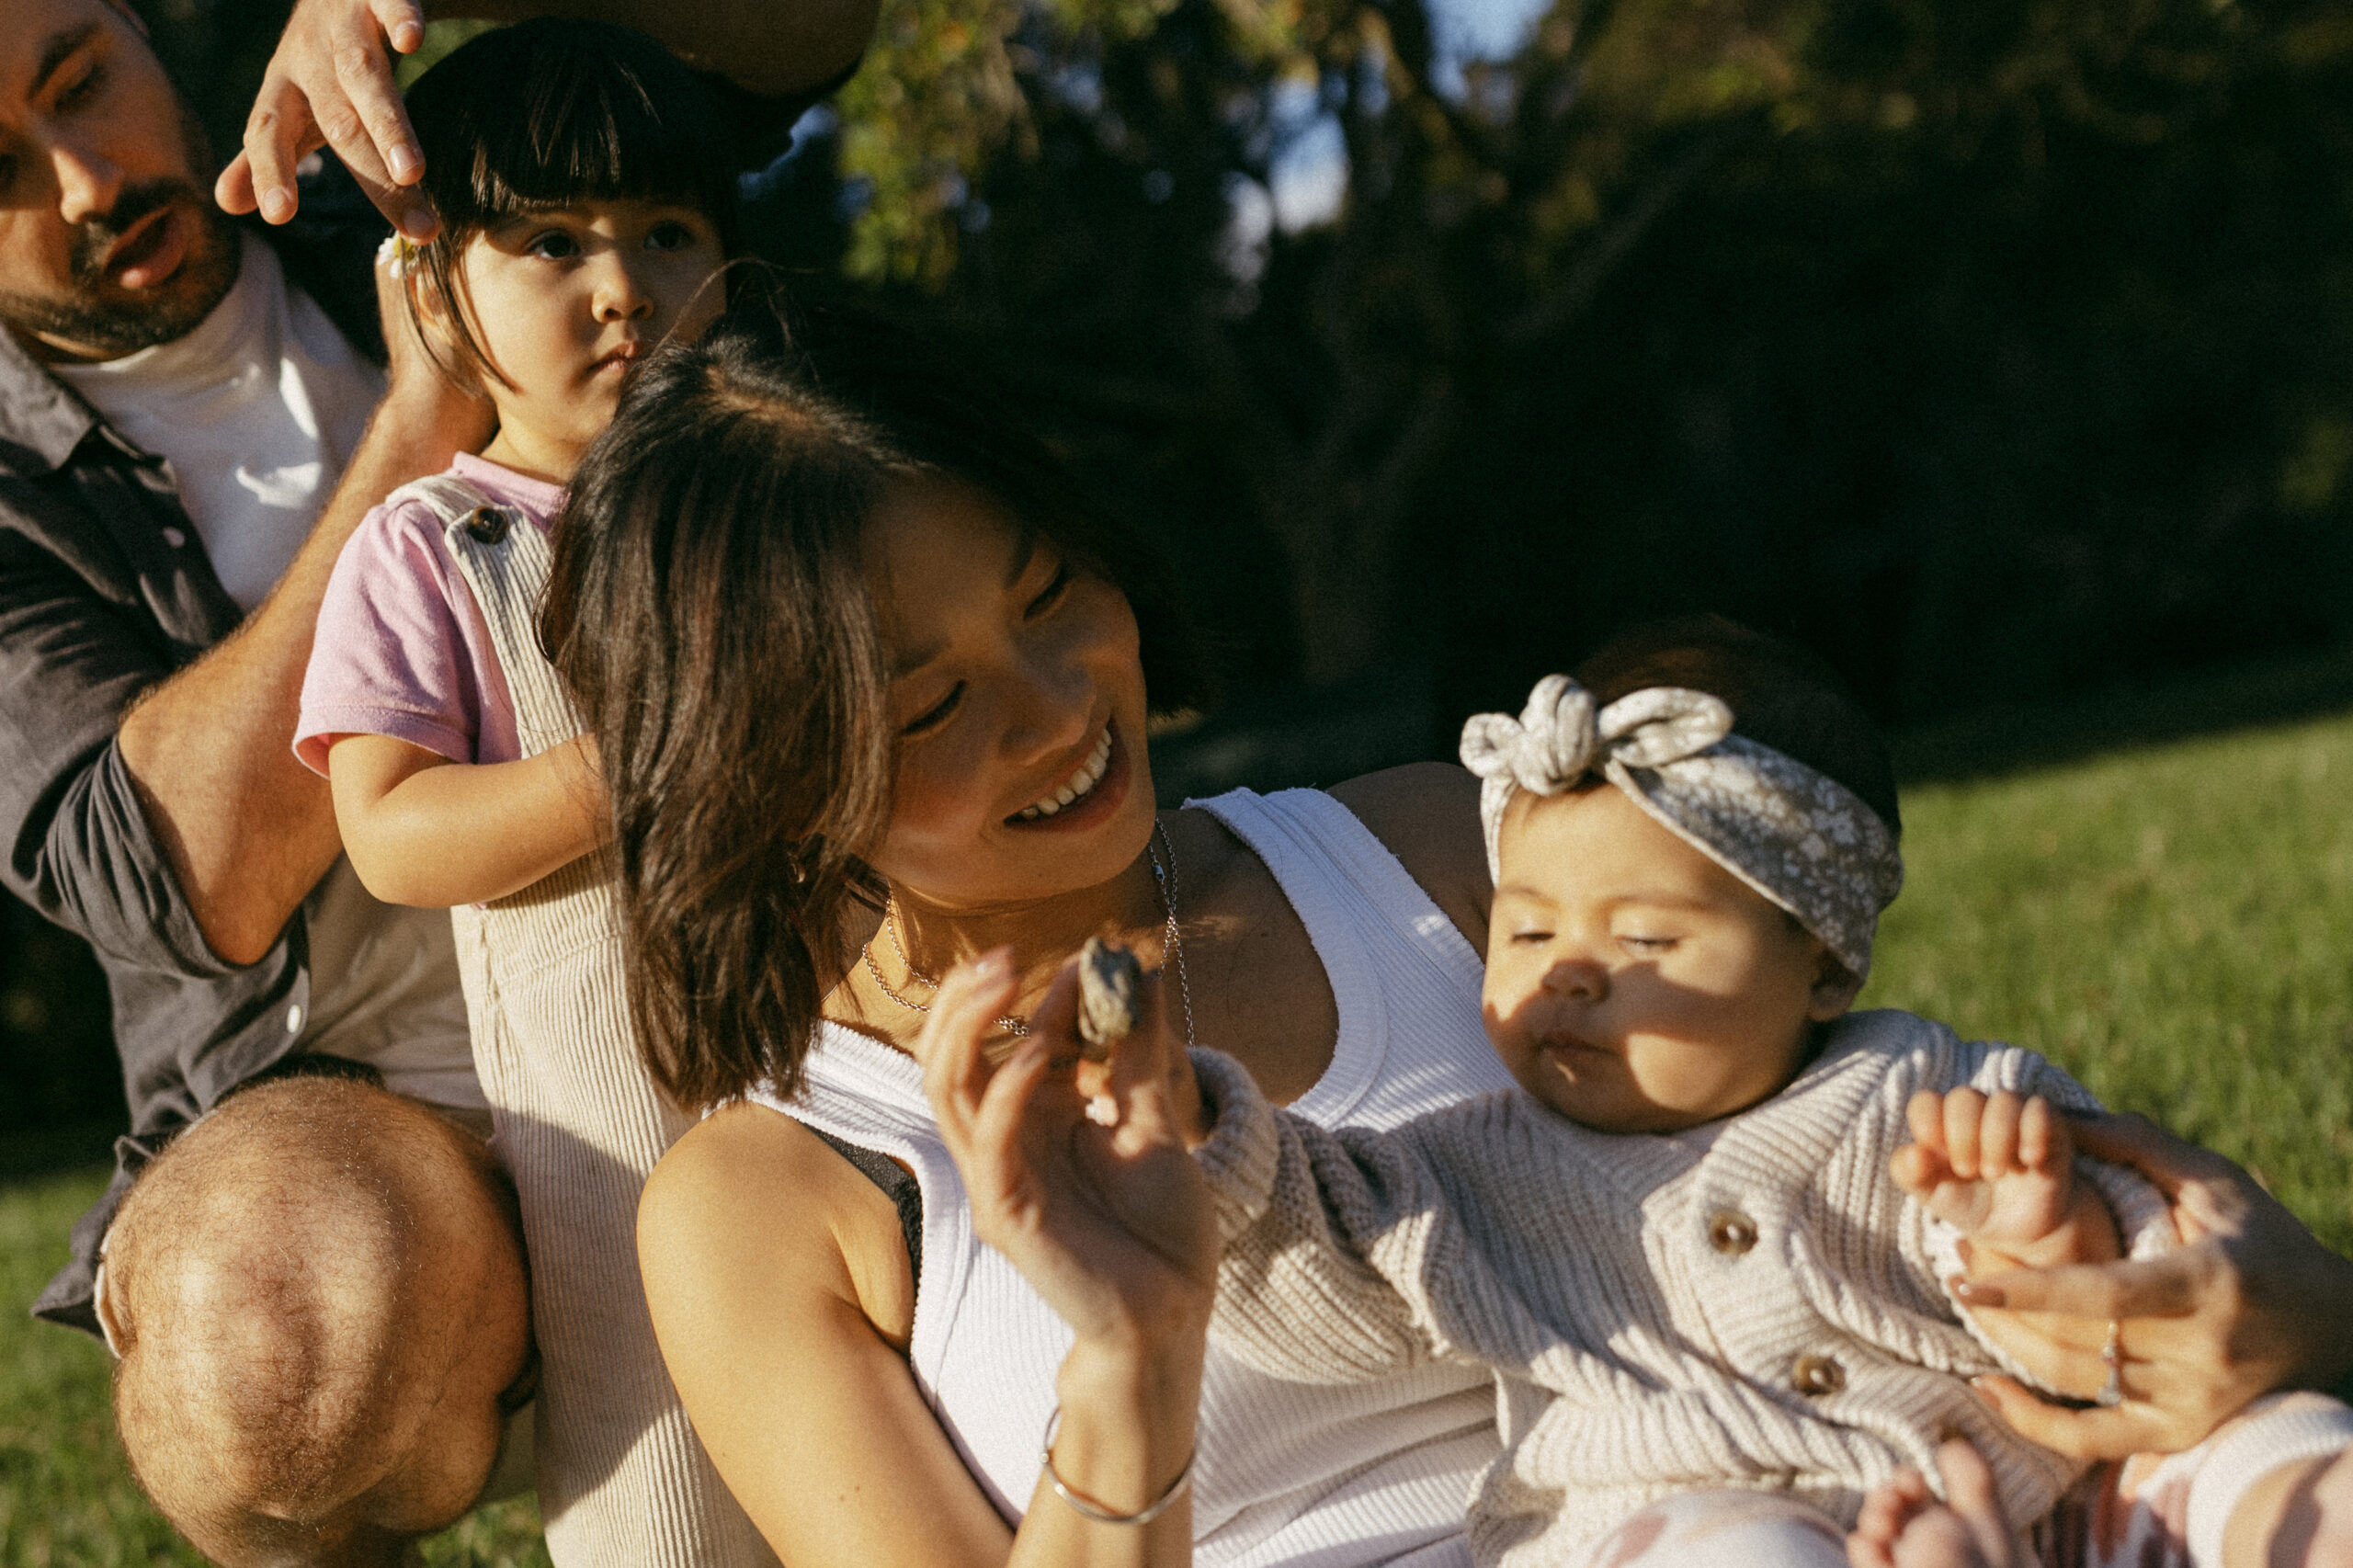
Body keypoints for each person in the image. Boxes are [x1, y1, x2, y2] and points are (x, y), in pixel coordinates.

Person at [550, 300, 2353, 1568]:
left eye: (1048, 593)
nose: (1057, 705)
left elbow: (1900, 1160)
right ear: (770, 780)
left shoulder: (1431, 848)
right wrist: (1130, 1353)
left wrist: (2261, 1303)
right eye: (929, 702)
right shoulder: (770, 1200)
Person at [0, 0, 866, 1560]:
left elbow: (806, 37)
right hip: (351, 1100)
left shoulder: (444, 175)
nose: (80, 181)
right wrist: (426, 418)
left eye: (83, 84)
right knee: (270, 1345)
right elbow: (183, 878)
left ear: (146, 33)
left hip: (747, 959)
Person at [1134, 629, 2353, 1568]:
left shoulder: (1928, 1089)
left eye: (1646, 935)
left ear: (1820, 958)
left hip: (2036, 1489)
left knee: (2294, 1457)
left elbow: (2146, 1271)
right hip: (1687, 1515)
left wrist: (2039, 1225)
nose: (1568, 968)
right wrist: (1206, 1129)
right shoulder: (1461, 1170)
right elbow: (1326, 1277)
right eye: (1531, 926)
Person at [295, 24, 783, 1565]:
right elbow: (390, 830)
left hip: (846, 1061)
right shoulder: (435, 546)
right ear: (437, 293)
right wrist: (626, 771)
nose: (623, 284)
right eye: (552, 242)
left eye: (667, 233)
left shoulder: (783, 500)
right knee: (664, 1478)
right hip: (608, 1120)